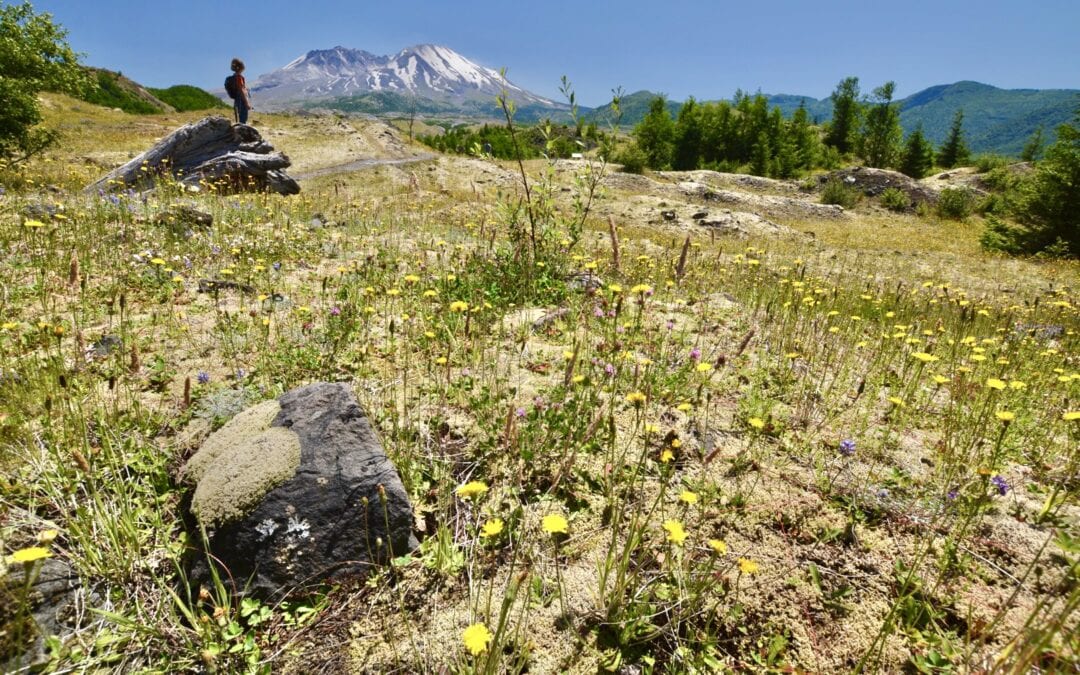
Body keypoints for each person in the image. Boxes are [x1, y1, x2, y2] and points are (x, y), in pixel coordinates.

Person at [230, 58, 252, 124]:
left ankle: (239, 129)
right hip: (241, 99)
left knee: (240, 116)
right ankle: (242, 131)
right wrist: (247, 103)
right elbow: (241, 90)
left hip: (237, 99)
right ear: (241, 67)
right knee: (243, 117)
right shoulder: (239, 77)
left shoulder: (234, 76)